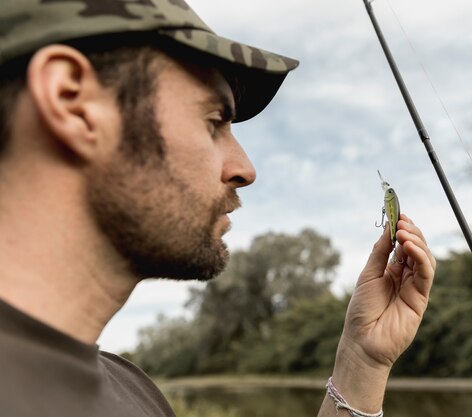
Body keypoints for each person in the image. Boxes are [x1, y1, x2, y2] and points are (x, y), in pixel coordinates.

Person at [0, 1, 436, 416]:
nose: (245, 169)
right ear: (71, 101)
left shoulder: (131, 387)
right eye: (213, 121)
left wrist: (361, 363)